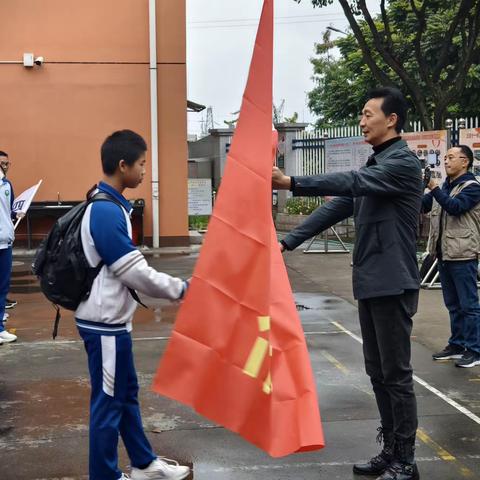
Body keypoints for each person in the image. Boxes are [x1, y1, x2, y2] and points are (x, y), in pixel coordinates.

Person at [272, 87, 421, 480]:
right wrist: (285, 241)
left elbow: (352, 183)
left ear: (392, 120)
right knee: (377, 372)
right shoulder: (378, 166)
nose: (361, 120)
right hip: (371, 282)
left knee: (396, 374)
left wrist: (291, 182)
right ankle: (390, 449)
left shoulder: (401, 163)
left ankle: (406, 458)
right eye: (361, 113)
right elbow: (337, 204)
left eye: (368, 113)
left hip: (393, 282)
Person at [76, 130, 190, 480]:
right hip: (104, 326)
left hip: (111, 323)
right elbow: (135, 273)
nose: (144, 171)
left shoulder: (107, 204)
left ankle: (143, 463)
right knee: (108, 405)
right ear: (122, 165)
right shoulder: (106, 212)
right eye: (141, 164)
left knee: (124, 396)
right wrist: (184, 289)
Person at [423, 145, 480, 368]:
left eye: (450, 158)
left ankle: (475, 350)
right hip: (444, 254)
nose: (445, 161)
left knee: (469, 306)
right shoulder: (445, 186)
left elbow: (456, 207)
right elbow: (423, 205)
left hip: (463, 254)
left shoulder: (472, 187)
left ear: (465, 162)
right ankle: (457, 345)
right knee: (453, 305)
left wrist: (435, 188)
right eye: (444, 158)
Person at [0, 150, 21, 344]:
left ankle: (0, 328)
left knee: (3, 286)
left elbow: (10, 210)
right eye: (1, 164)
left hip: (5, 242)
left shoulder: (7, 185)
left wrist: (18, 213)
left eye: (7, 164)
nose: (4, 168)